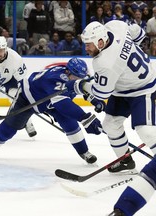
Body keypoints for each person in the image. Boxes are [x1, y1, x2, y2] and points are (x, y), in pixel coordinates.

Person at [63, 20, 156, 216]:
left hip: (145, 88)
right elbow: (139, 34)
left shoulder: (104, 63)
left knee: (145, 130)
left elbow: (99, 94)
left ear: (101, 41)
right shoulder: (116, 26)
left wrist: (78, 86)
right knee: (110, 124)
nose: (86, 48)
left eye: (89, 44)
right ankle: (125, 161)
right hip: (122, 89)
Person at [0, 57, 104, 164]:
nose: (78, 79)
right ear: (67, 72)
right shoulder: (54, 79)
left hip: (50, 101)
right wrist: (85, 118)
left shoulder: (76, 75)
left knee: (71, 125)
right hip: (29, 98)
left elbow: (81, 87)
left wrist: (93, 99)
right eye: (76, 77)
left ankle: (84, 152)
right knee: (9, 128)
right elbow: (63, 104)